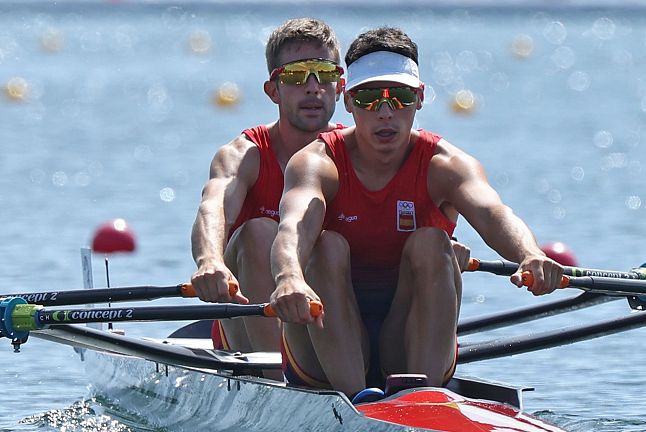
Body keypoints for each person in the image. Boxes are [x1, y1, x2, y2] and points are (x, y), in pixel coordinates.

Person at [270, 26, 564, 399]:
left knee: (431, 242)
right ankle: (358, 401)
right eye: (370, 98)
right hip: (320, 345)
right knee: (327, 245)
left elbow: (492, 212)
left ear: (420, 97)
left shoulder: (446, 165)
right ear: (348, 100)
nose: (386, 112)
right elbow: (293, 226)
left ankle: (420, 400)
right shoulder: (317, 162)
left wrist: (530, 255)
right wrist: (288, 277)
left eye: (400, 97)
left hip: (407, 338)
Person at [189, 18, 344, 374]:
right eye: (294, 76)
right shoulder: (244, 154)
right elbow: (213, 207)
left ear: (340, 86)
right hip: (251, 329)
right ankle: (278, 379)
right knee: (260, 232)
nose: (312, 87)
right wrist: (209, 261)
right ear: (273, 90)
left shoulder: (361, 152)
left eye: (322, 73)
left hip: (333, 323)